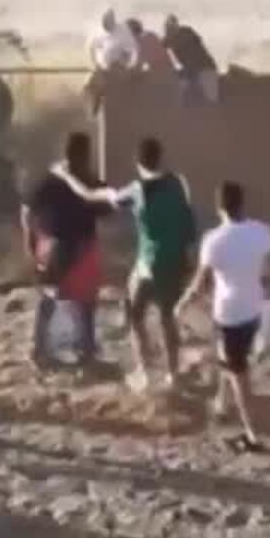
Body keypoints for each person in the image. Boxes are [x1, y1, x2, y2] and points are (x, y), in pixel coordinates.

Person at [179, 181, 270, 453]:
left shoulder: (214, 239)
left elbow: (200, 283)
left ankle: (252, 435)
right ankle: (221, 403)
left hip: (230, 314)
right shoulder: (261, 231)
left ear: (219, 207)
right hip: (254, 308)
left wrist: (182, 303)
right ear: (242, 203)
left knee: (239, 375)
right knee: (230, 358)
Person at [110, 137, 197, 389]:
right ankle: (173, 374)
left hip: (149, 262)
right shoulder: (178, 183)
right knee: (167, 317)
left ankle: (145, 371)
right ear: (161, 157)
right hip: (175, 260)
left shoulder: (137, 189)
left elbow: (114, 200)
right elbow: (188, 219)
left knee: (133, 311)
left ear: (138, 163)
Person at [21, 132, 110, 369]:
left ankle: (56, 349)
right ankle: (61, 350)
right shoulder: (64, 180)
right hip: (66, 245)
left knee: (63, 299)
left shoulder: (66, 179)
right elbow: (27, 209)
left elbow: (26, 210)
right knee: (67, 299)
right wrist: (31, 242)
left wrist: (31, 241)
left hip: (69, 245)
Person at [162, 14, 220, 106]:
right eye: (167, 29)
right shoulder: (174, 36)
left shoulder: (185, 34)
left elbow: (193, 56)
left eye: (169, 28)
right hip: (196, 70)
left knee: (210, 100)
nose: (168, 31)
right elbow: (160, 46)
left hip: (205, 68)